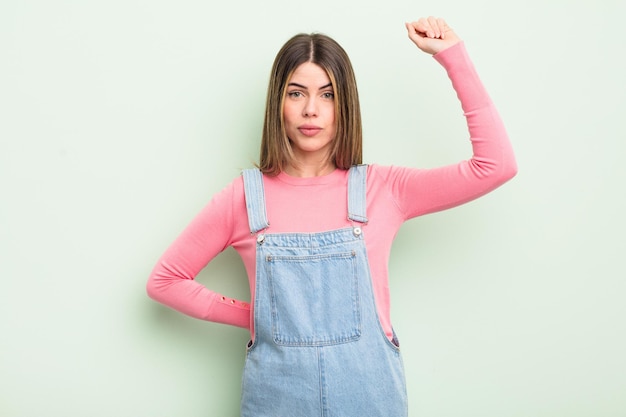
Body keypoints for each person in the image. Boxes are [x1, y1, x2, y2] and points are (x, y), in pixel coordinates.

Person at [147, 16, 517, 417]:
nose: (311, 110)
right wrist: (256, 315)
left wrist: (452, 57)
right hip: (277, 398)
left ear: (345, 104)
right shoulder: (244, 198)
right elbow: (164, 281)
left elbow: (495, 165)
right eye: (296, 93)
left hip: (369, 396)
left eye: (327, 94)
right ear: (278, 104)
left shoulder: (384, 189)